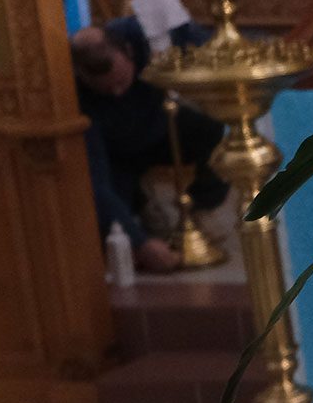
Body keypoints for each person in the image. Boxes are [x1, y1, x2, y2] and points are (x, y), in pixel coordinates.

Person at [71, 22, 227, 273]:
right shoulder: (73, 92)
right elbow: (95, 181)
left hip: (161, 128)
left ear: (129, 52)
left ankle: (202, 208)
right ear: (82, 75)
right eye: (107, 90)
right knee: (112, 237)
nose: (117, 93)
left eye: (121, 81)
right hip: (116, 156)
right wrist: (140, 243)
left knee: (213, 129)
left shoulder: (144, 32)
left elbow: (198, 37)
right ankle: (142, 205)